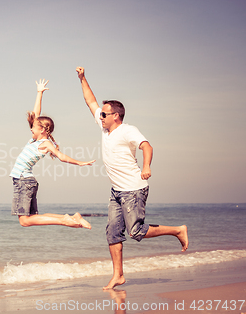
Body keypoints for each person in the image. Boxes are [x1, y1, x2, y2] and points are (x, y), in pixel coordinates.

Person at [76, 67, 189, 290]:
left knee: (135, 232)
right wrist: (82, 78)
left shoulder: (127, 130)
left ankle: (178, 230)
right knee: (112, 233)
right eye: (101, 114)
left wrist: (146, 166)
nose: (100, 116)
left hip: (134, 189)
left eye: (104, 114)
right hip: (116, 191)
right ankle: (118, 275)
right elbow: (90, 101)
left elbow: (147, 146)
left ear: (115, 116)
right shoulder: (104, 128)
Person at [11, 79, 95, 229]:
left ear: (42, 130)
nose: (31, 128)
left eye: (34, 127)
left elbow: (61, 157)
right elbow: (35, 114)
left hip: (23, 182)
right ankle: (72, 217)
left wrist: (80, 162)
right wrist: (39, 93)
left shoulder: (46, 144)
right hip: (25, 181)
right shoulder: (34, 140)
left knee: (24, 221)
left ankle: (64, 221)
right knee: (32, 218)